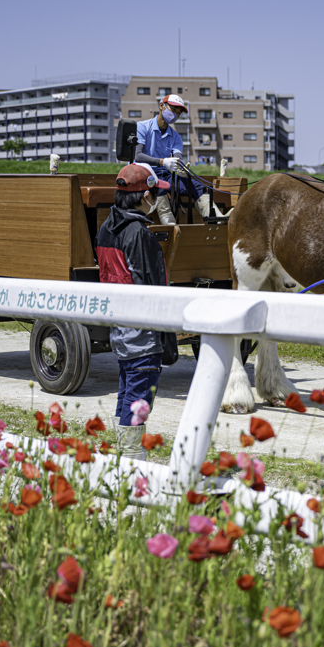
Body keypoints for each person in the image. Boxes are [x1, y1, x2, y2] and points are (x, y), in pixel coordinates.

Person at [95, 162, 178, 459]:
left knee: (126, 397)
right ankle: (132, 467)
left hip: (120, 331)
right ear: (144, 196)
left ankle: (121, 459)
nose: (158, 199)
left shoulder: (106, 228)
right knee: (138, 403)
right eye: (156, 193)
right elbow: (152, 287)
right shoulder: (139, 234)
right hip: (143, 336)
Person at [133, 94, 213, 224]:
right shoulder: (142, 127)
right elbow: (138, 156)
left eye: (179, 112)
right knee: (159, 186)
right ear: (161, 106)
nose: (176, 114)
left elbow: (177, 157)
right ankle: (169, 223)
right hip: (145, 173)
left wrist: (181, 166)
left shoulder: (176, 137)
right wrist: (162, 162)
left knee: (198, 186)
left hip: (165, 174)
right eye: (174, 109)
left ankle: (214, 217)